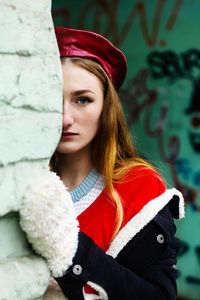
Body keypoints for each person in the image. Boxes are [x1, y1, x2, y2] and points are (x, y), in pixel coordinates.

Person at [20, 27, 185, 300]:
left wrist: (70, 248)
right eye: (52, 100)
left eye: (82, 100)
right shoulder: (22, 181)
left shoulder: (139, 187)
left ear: (106, 107)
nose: (64, 118)